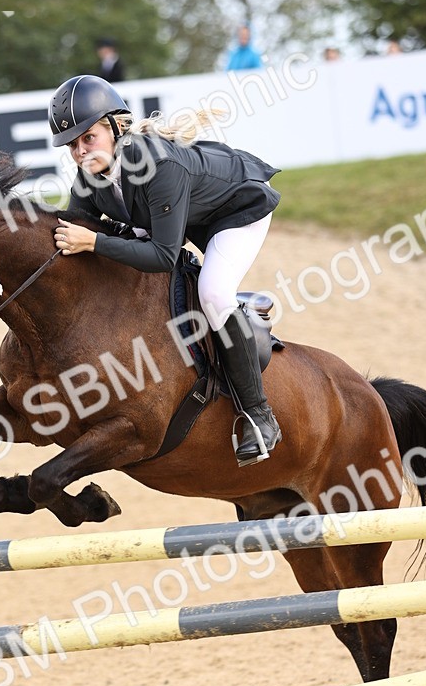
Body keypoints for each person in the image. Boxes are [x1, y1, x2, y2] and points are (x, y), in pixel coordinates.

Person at [49, 74, 282, 464]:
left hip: (238, 212)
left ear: (115, 127)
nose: (80, 151)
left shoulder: (157, 163)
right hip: (187, 218)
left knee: (213, 293)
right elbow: (70, 228)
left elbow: (162, 256)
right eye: (72, 144)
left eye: (88, 138)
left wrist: (94, 242)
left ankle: (259, 417)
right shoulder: (90, 178)